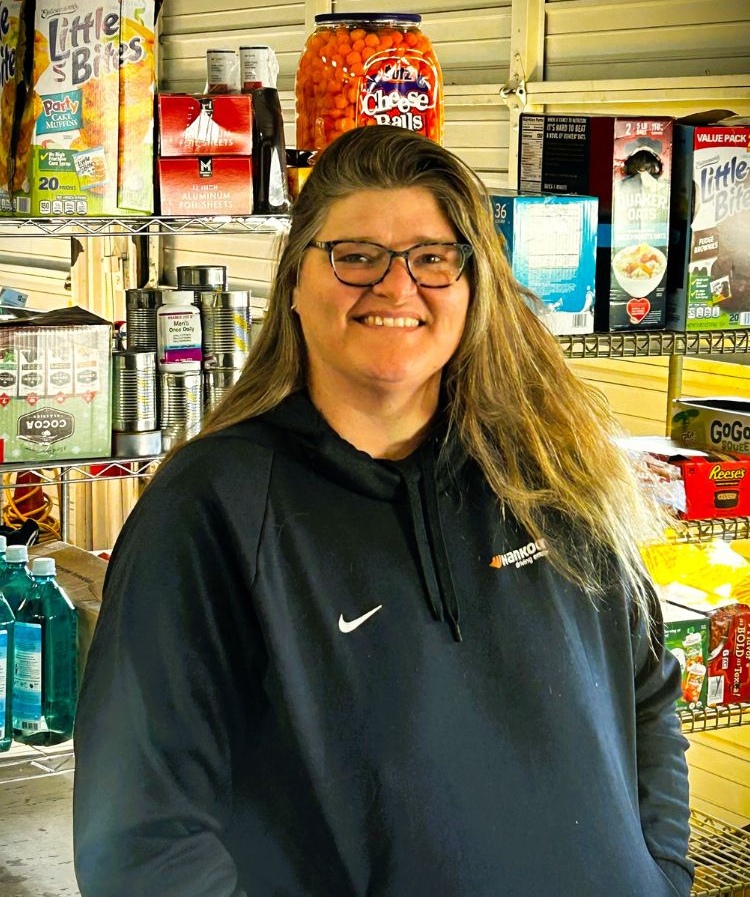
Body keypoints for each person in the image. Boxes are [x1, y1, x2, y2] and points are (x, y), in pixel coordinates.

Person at [73, 125, 693, 897]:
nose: (397, 288)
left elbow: (647, 692)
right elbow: (141, 839)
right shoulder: (214, 507)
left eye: (432, 258)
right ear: (295, 284)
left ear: (473, 287)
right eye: (357, 256)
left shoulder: (551, 469)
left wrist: (662, 875)